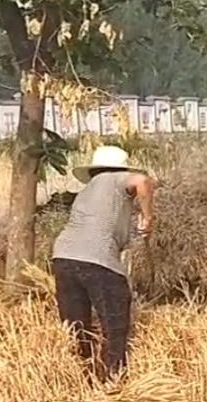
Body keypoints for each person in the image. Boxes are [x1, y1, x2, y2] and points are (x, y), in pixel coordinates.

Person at [51, 145, 156, 382]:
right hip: (96, 259)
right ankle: (113, 380)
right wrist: (149, 217)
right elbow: (143, 181)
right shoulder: (116, 177)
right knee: (114, 322)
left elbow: (114, 230)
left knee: (76, 327)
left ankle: (81, 379)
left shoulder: (89, 190)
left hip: (64, 257)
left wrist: (137, 233)